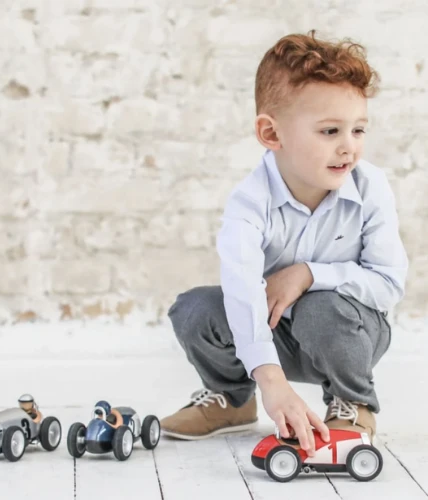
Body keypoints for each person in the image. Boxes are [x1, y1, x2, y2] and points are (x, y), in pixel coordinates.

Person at [160, 30, 408, 457]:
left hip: (348, 332)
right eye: (330, 131)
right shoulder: (249, 202)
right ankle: (232, 399)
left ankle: (353, 401)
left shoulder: (371, 188)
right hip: (275, 335)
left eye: (358, 130)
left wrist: (310, 274)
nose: (348, 147)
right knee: (194, 309)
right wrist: (270, 381)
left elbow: (388, 285)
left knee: (320, 307)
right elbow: (242, 289)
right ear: (271, 134)